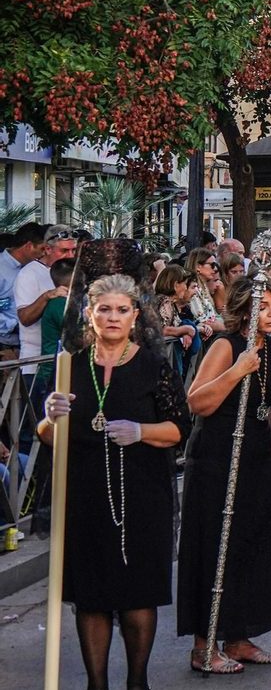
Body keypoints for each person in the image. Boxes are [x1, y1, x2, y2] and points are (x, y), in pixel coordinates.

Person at [38, 267, 190, 690]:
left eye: (122, 310)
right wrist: (50, 419)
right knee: (91, 595)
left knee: (138, 591)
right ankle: (96, 683)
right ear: (89, 314)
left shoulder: (154, 366)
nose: (112, 317)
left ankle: (137, 681)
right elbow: (49, 438)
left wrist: (141, 431)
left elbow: (180, 429)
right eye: (104, 309)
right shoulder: (70, 367)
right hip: (84, 493)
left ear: (134, 316)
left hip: (142, 493)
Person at [176, 272, 271, 672]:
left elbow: (265, 407)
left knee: (250, 542)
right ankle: (203, 646)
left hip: (255, 453)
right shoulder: (226, 345)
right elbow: (198, 402)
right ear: (245, 308)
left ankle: (238, 637)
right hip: (216, 455)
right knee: (214, 544)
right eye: (266, 305)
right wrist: (238, 370)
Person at [16, 225, 76, 393]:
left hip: (67, 362)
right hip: (35, 364)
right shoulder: (28, 274)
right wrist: (46, 296)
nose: (70, 256)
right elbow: (24, 318)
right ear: (48, 249)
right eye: (64, 251)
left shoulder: (74, 271)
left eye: (73, 250)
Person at [1, 222, 49, 361]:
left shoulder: (36, 269)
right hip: (7, 346)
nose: (43, 254)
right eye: (41, 249)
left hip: (31, 346)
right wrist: (14, 325)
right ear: (28, 246)